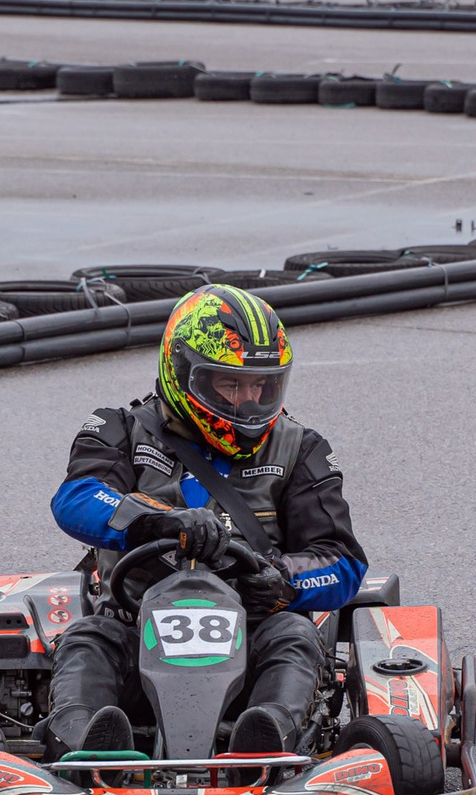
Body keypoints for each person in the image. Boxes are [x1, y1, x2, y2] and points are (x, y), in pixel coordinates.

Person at [44, 284, 367, 759]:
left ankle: (266, 742)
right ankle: (86, 747)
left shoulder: (300, 450)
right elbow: (76, 498)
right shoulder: (121, 430)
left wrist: (281, 581)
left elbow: (342, 562)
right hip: (135, 626)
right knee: (89, 638)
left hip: (252, 632)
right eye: (230, 384)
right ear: (182, 373)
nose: (248, 403)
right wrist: (153, 520)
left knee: (295, 636)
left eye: (261, 386)